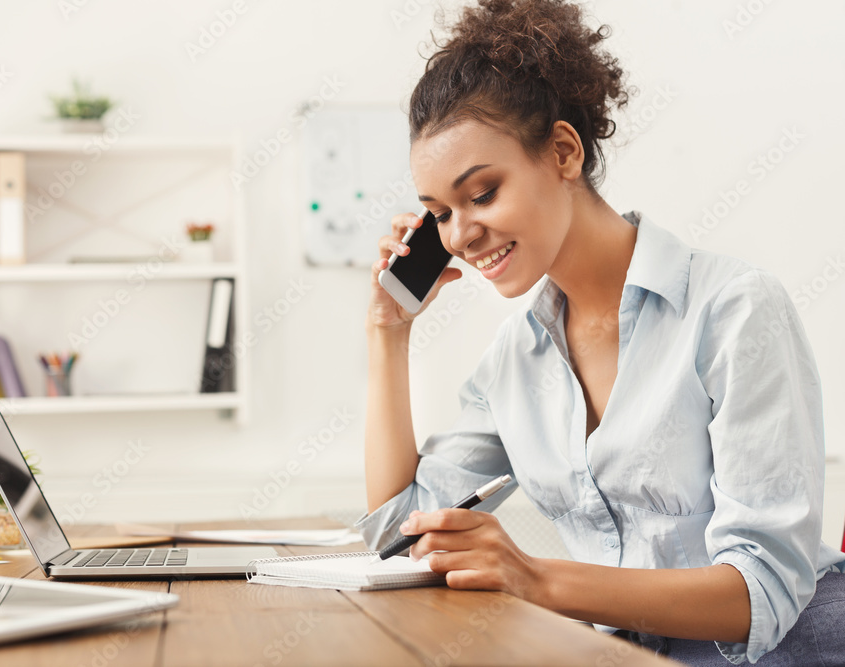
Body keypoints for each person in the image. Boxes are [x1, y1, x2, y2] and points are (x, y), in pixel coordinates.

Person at [356, 1, 845, 664]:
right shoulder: (516, 362)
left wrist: (536, 578)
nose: (460, 235)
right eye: (439, 213)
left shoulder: (732, 309)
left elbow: (761, 592)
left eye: (482, 193)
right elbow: (396, 529)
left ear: (563, 151)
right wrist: (389, 331)